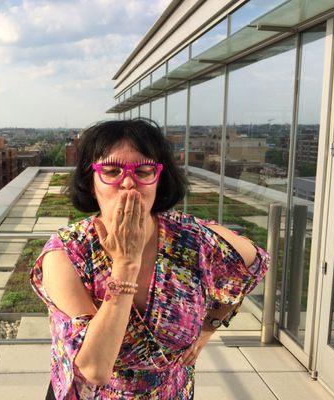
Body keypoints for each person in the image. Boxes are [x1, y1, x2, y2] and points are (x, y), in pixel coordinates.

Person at [30, 119, 270, 399]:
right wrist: (125, 266)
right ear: (90, 180)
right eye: (111, 171)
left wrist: (210, 325)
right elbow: (94, 368)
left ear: (159, 178)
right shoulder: (68, 253)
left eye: (143, 171)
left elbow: (253, 264)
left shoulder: (189, 240)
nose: (129, 183)